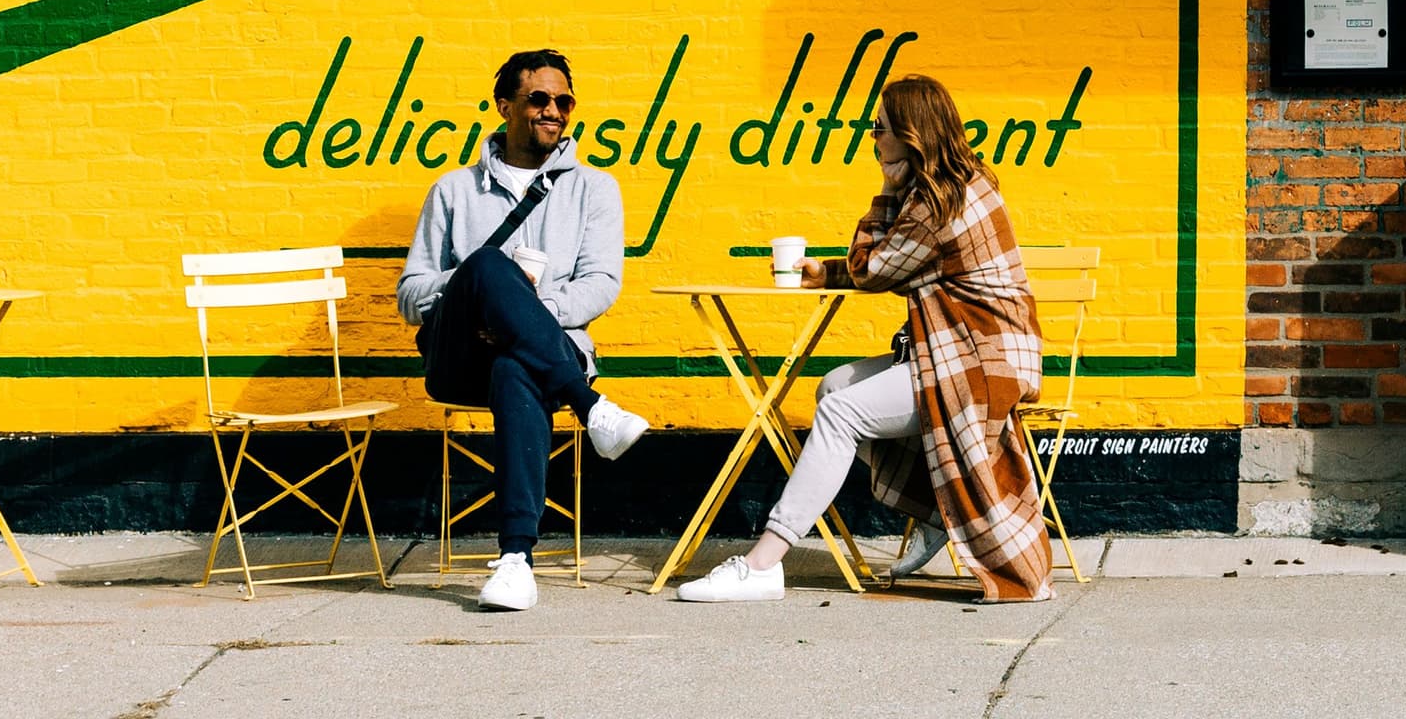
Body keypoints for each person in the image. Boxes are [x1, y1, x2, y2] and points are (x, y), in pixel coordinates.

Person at [680, 71, 1050, 604]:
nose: (872, 138)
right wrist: (826, 273)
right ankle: (934, 508)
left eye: (879, 129)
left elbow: (875, 268)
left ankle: (763, 563)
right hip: (956, 349)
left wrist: (884, 188)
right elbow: (897, 267)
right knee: (834, 387)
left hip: (981, 363)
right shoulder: (951, 187)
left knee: (841, 413)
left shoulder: (941, 204)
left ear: (911, 133)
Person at [397, 46, 651, 611]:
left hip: (540, 359)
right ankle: (592, 407)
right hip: (460, 358)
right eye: (539, 99)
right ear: (505, 105)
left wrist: (528, 315)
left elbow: (602, 283)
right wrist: (480, 295)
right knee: (488, 266)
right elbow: (411, 296)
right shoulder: (453, 191)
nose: (553, 111)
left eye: (564, 101)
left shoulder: (594, 189)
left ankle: (515, 560)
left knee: (517, 367)